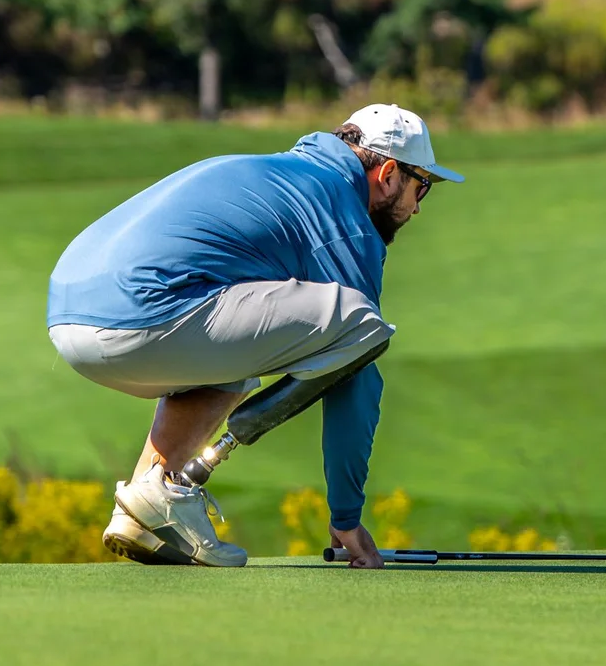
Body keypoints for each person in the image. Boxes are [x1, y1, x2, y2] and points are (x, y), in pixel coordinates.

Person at [45, 104, 460, 569]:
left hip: (68, 318)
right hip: (138, 319)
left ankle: (148, 503)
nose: (419, 205)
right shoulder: (340, 212)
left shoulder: (284, 173)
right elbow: (357, 373)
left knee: (240, 346)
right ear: (387, 174)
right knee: (361, 323)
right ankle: (171, 491)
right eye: (421, 184)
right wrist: (346, 516)